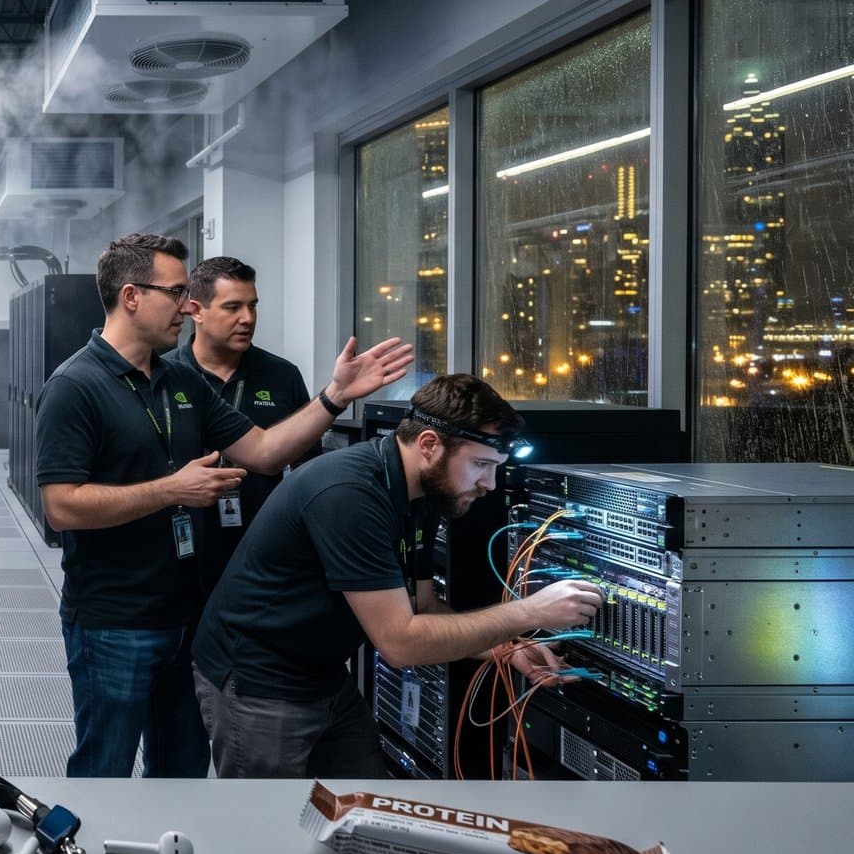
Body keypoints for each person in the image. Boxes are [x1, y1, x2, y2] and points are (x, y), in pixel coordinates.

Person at [36, 233, 414, 779]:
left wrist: (334, 396)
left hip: (192, 618)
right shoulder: (76, 386)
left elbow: (263, 452)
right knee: (104, 770)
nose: (187, 306)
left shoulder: (178, 377)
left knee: (182, 771)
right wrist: (172, 490)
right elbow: (61, 507)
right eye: (176, 293)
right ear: (131, 296)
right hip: (115, 621)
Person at [191, 373, 606, 778]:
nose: (490, 484)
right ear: (429, 445)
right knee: (268, 825)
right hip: (259, 681)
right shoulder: (350, 494)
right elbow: (400, 643)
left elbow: (423, 605)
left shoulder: (420, 492)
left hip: (322, 674)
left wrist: (506, 649)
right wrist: (530, 612)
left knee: (365, 806)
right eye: (481, 464)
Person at [160, 255, 321, 600]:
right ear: (196, 310)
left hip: (261, 557)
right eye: (232, 307)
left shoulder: (282, 376)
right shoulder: (164, 375)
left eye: (252, 306)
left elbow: (309, 471)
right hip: (178, 557)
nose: (247, 319)